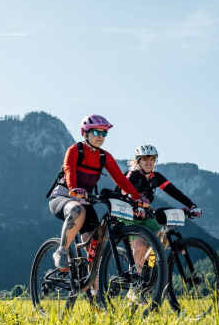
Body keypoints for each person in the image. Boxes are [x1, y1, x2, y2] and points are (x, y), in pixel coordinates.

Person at [47, 115, 149, 275]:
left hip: (85, 201)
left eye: (104, 133)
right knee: (77, 210)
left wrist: (137, 197)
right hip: (63, 197)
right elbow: (69, 170)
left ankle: (94, 293)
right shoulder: (75, 150)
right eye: (96, 132)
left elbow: (121, 179)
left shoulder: (104, 156)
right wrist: (73, 189)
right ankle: (62, 251)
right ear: (85, 133)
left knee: (96, 247)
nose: (101, 137)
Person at [122, 144, 202, 297]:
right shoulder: (132, 175)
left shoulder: (155, 177)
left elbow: (173, 191)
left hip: (145, 215)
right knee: (139, 244)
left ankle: (148, 272)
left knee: (162, 239)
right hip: (128, 215)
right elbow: (124, 191)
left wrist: (191, 205)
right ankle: (135, 287)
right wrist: (135, 203)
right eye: (145, 159)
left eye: (152, 159)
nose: (149, 162)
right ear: (138, 161)